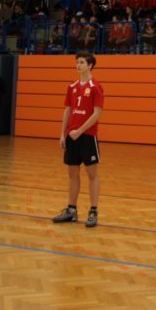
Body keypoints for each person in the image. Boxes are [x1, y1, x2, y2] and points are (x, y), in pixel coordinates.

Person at [52, 52, 104, 228]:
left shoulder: (96, 87)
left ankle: (93, 211)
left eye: (81, 62)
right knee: (72, 173)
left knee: (92, 175)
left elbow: (97, 113)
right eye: (77, 62)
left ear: (90, 65)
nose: (78, 65)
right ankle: (71, 210)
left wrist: (80, 131)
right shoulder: (72, 86)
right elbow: (68, 110)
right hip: (72, 137)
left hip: (87, 136)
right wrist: (63, 134)